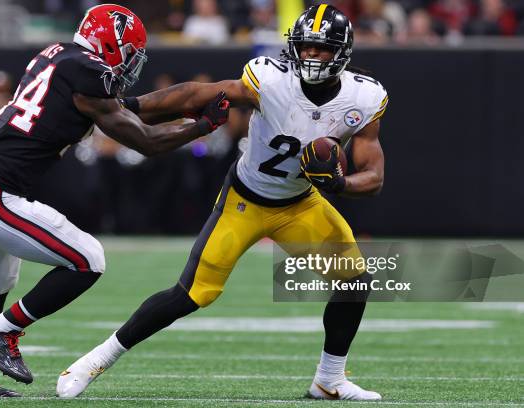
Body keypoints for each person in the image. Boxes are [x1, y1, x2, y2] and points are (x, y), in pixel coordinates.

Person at [58, 3, 386, 401]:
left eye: (322, 49)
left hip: (301, 203)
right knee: (192, 294)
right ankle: (92, 362)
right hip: (245, 200)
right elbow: (197, 94)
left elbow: (374, 177)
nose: (311, 56)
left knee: (354, 281)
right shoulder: (271, 79)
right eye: (306, 47)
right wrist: (127, 108)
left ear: (343, 52)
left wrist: (339, 183)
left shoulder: (363, 98)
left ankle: (329, 379)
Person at [0, 4, 229, 397]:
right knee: (88, 260)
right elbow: (145, 141)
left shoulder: (60, 56)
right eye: (131, 52)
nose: (132, 63)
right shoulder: (89, 71)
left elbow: (125, 111)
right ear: (112, 44)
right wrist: (204, 126)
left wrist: (181, 106)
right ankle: (4, 329)